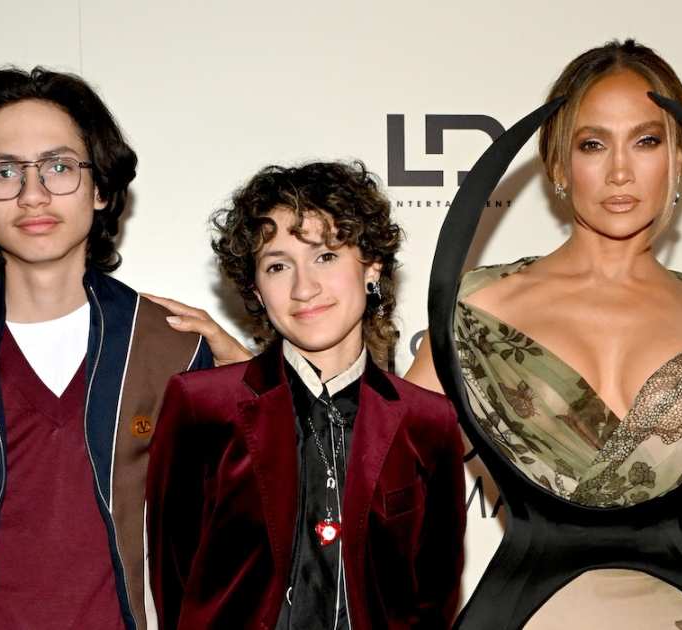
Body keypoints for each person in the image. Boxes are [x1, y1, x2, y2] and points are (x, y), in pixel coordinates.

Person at [406, 40, 682, 628]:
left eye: (646, 142)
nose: (620, 171)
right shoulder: (479, 309)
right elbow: (388, 478)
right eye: (592, 144)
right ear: (558, 165)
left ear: (678, 158)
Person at [0, 67, 247, 630]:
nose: (33, 194)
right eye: (5, 172)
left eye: (60, 166)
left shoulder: (171, 351)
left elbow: (242, 543)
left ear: (101, 190)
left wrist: (258, 395)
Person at [146, 161, 466, 629]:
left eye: (326, 256)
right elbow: (173, 580)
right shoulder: (202, 407)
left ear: (371, 266)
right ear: (257, 290)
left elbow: (434, 596)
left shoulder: (428, 421)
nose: (304, 287)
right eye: (278, 266)